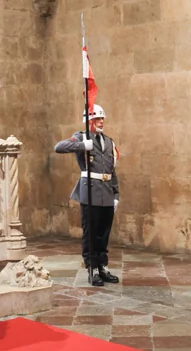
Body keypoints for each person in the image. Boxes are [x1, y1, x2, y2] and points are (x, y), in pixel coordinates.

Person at [54, 105, 120, 287]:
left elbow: (112, 170)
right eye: (97, 119)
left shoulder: (109, 142)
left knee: (103, 234)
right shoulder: (81, 137)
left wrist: (116, 194)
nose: (101, 122)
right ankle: (92, 269)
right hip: (90, 191)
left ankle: (103, 267)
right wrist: (82, 145)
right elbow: (59, 147)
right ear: (89, 121)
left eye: (102, 119)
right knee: (90, 233)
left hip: (106, 192)